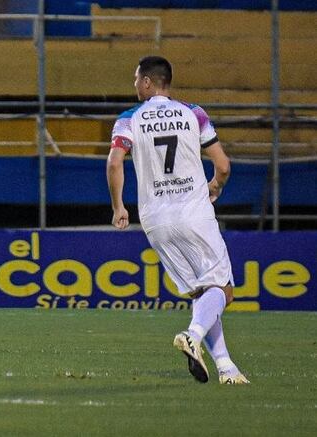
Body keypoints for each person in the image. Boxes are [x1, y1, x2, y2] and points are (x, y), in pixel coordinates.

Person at [106, 56, 249, 384]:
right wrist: (216, 186)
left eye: (135, 78)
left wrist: (118, 207)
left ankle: (227, 368)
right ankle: (193, 335)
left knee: (202, 294)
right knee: (223, 290)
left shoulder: (129, 119)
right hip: (193, 213)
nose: (134, 85)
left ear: (146, 82)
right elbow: (223, 166)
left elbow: (115, 163)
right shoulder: (193, 113)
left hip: (155, 219)